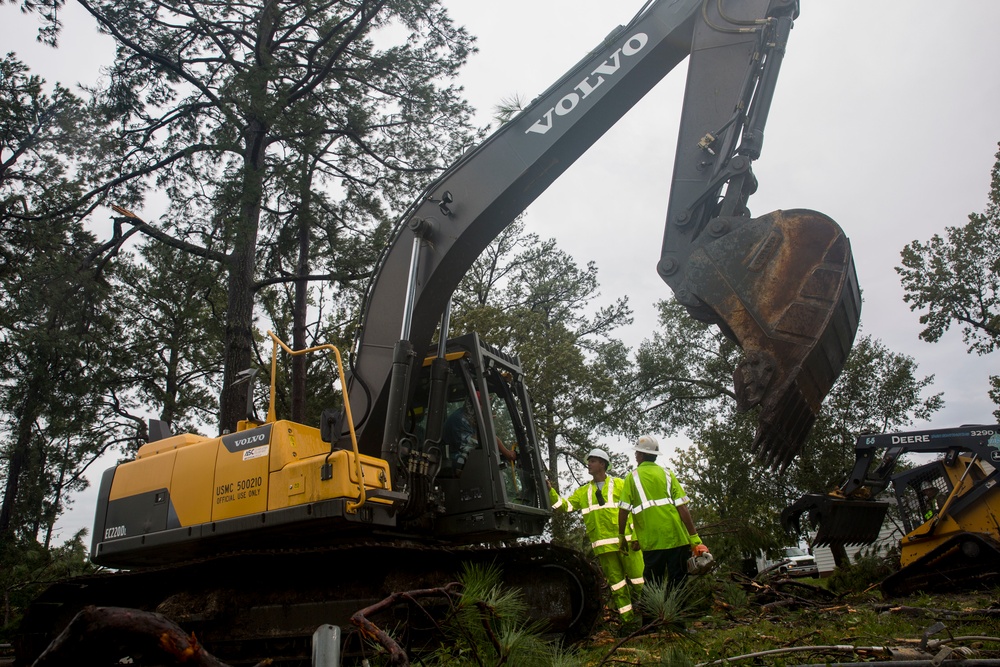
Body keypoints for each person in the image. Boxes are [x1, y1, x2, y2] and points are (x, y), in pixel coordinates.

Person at [549, 449, 644, 624]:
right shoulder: (583, 492)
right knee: (618, 587)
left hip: (627, 543)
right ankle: (629, 623)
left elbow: (636, 509)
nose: (589, 464)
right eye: (589, 461)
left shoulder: (621, 484)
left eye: (592, 461)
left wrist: (637, 536)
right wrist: (550, 491)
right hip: (604, 547)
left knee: (639, 582)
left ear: (602, 464)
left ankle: (652, 619)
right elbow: (565, 506)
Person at [617, 434, 709, 593]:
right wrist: (694, 537)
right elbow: (683, 508)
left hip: (652, 541)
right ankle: (675, 617)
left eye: (637, 452)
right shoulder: (668, 474)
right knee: (678, 583)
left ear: (642, 454)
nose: (635, 455)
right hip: (677, 539)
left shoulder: (632, 477)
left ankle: (653, 617)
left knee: (653, 584)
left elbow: (624, 510)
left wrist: (622, 536)